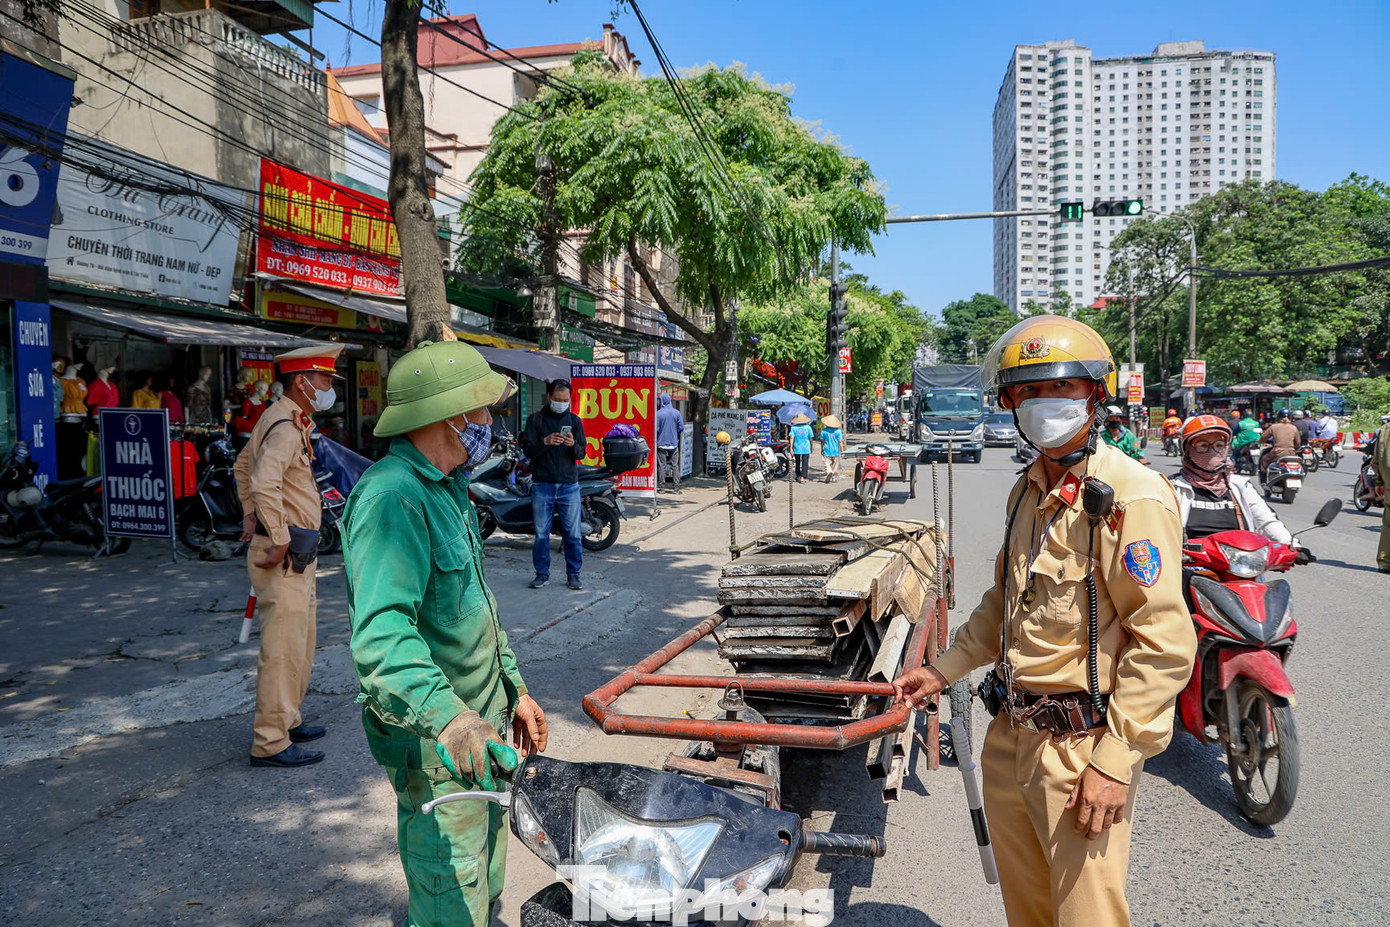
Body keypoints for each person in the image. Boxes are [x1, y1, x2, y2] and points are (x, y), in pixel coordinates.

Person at [892, 315, 1196, 927]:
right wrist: (942, 670)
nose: (1043, 403)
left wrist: (1115, 760)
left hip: (1080, 749)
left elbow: (1163, 646)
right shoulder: (1028, 491)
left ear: (1096, 394)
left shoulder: (1129, 497)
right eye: (1028, 391)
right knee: (1027, 911)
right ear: (1009, 402)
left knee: (1087, 916)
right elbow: (1004, 602)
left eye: (1062, 388)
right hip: (1010, 735)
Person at [343, 340, 546, 927]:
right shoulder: (392, 498)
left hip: (481, 739)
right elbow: (381, 639)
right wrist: (453, 721)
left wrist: (515, 691)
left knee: (484, 884)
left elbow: (475, 611)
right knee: (448, 902)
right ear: (448, 417)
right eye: (483, 412)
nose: (490, 423)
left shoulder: (449, 488)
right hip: (438, 744)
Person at [233, 344, 345, 768]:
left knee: (300, 643)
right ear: (303, 382)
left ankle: (288, 717)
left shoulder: (283, 418)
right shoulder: (283, 425)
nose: (329, 388)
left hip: (298, 552)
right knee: (282, 649)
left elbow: (243, 467)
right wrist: (277, 535)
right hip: (285, 553)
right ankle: (270, 742)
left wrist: (248, 514)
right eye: (325, 380)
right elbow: (262, 480)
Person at [1171, 415, 1311, 557]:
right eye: (1203, 446)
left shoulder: (1240, 486)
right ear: (1188, 450)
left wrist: (1292, 545)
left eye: (1219, 445)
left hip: (1241, 566)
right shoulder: (1173, 488)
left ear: (1227, 448)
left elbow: (1266, 521)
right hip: (1190, 567)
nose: (1212, 452)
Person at [521, 378, 586, 590]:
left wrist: (572, 445)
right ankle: (541, 574)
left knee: (573, 534)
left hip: (569, 485)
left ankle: (573, 574)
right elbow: (528, 450)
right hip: (542, 484)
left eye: (565, 399)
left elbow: (582, 452)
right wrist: (544, 442)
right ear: (549, 397)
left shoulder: (575, 421)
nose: (562, 403)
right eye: (558, 399)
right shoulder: (535, 420)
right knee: (541, 534)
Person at [655, 392, 684, 491]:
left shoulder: (658, 414)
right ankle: (676, 487)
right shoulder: (677, 413)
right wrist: (675, 434)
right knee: (675, 465)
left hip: (661, 443)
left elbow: (657, 429)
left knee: (661, 466)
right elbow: (681, 427)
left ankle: (662, 486)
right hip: (673, 443)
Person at [1373, 414, 1390, 573]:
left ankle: (1385, 562)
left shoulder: (1385, 429)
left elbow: (1376, 459)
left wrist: (1379, 482)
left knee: (1388, 524)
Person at [1260, 408, 1300, 476]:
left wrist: (1260, 442)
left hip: (1276, 452)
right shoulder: (1294, 428)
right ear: (1290, 418)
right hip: (1291, 453)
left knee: (1264, 459)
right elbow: (1298, 442)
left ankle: (1264, 478)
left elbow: (1263, 438)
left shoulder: (1273, 427)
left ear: (1279, 417)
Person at [819, 413, 844, 483]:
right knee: (835, 465)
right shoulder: (838, 431)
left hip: (827, 450)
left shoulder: (824, 431)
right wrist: (842, 451)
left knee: (826, 463)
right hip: (835, 450)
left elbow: (822, 441)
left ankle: (829, 472)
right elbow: (840, 442)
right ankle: (833, 477)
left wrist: (822, 449)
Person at [789, 412, 813, 482]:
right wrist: (811, 447)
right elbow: (811, 438)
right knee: (805, 462)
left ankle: (798, 475)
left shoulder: (793, 428)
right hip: (806, 447)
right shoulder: (808, 427)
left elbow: (791, 438)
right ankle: (803, 477)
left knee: (797, 462)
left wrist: (791, 448)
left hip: (797, 447)